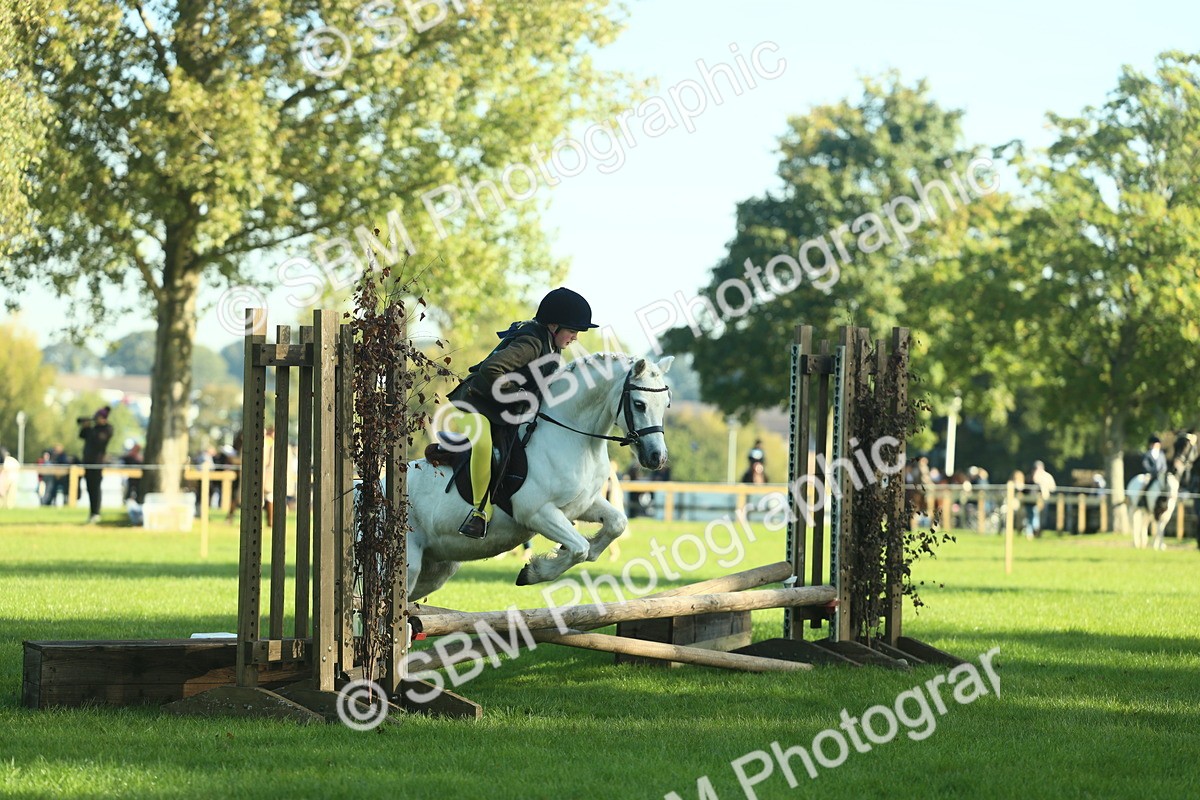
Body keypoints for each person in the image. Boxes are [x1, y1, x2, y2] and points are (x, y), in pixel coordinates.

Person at [445, 287, 599, 539]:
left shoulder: (552, 347)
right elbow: (490, 370)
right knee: (483, 445)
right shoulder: (531, 343)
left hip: (503, 409)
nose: (575, 338)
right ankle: (479, 512)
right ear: (554, 325)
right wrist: (521, 396)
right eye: (573, 331)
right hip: (474, 404)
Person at [79, 406, 114, 523]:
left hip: (97, 463)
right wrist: (86, 426)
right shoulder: (93, 429)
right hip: (88, 462)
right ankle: (92, 512)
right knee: (89, 488)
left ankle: (96, 512)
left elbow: (100, 441)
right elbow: (82, 435)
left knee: (96, 488)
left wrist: (92, 428)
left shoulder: (107, 429)